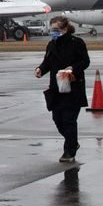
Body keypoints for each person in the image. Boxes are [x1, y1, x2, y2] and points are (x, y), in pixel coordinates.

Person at [35, 16, 90, 162]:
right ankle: (73, 142)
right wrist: (40, 69)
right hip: (56, 88)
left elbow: (85, 61)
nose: (52, 32)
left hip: (72, 87)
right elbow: (47, 62)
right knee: (57, 119)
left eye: (55, 30)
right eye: (51, 30)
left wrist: (73, 68)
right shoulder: (51, 44)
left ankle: (69, 151)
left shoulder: (76, 43)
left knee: (68, 120)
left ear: (64, 29)